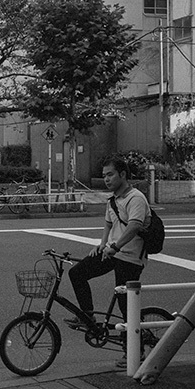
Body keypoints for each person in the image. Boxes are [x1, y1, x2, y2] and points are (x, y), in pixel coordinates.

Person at [66, 156, 151, 367]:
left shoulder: (136, 198)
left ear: (123, 175)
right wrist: (102, 244)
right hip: (112, 252)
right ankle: (88, 317)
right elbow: (108, 224)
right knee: (77, 273)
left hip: (129, 257)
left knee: (125, 305)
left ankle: (135, 351)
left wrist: (116, 246)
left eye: (110, 174)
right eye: (104, 175)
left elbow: (134, 226)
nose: (106, 179)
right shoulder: (113, 200)